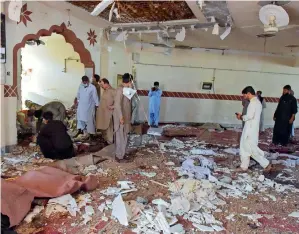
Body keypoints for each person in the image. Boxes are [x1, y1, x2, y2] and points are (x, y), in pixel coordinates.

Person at [236, 86, 272, 172]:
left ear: (248, 93)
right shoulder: (257, 102)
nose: (244, 97)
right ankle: (244, 166)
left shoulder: (253, 103)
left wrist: (240, 116)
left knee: (251, 150)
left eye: (244, 95)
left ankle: (266, 164)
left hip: (250, 130)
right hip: (251, 128)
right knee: (244, 147)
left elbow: (249, 116)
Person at [113, 73, 132, 163]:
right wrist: (120, 117)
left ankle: (122, 153)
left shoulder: (126, 89)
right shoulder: (120, 90)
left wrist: (130, 86)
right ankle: (119, 156)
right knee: (120, 136)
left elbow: (130, 98)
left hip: (126, 116)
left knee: (124, 136)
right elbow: (117, 104)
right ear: (129, 81)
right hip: (121, 117)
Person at [96, 78, 116, 144]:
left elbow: (118, 102)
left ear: (106, 83)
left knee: (109, 127)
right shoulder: (105, 91)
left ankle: (110, 141)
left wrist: (113, 106)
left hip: (109, 113)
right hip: (102, 113)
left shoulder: (113, 91)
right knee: (103, 127)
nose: (101, 87)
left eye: (102, 85)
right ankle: (106, 139)